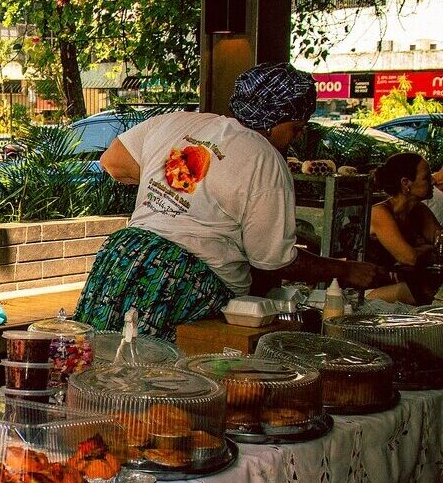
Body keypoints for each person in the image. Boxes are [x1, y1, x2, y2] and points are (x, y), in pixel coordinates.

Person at [75, 62, 381, 340]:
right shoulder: (265, 157)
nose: (297, 138)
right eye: (296, 128)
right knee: (157, 379)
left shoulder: (179, 123)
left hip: (124, 257)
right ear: (275, 118)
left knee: (98, 364)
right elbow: (272, 259)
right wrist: (344, 270)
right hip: (181, 281)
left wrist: (177, 194)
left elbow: (113, 160)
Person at [366, 153, 442, 304]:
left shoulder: (419, 210)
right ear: (406, 183)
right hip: (371, 291)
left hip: (406, 285)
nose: (433, 181)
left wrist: (429, 249)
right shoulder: (380, 213)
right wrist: (429, 248)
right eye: (426, 178)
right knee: (427, 291)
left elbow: (440, 241)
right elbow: (409, 257)